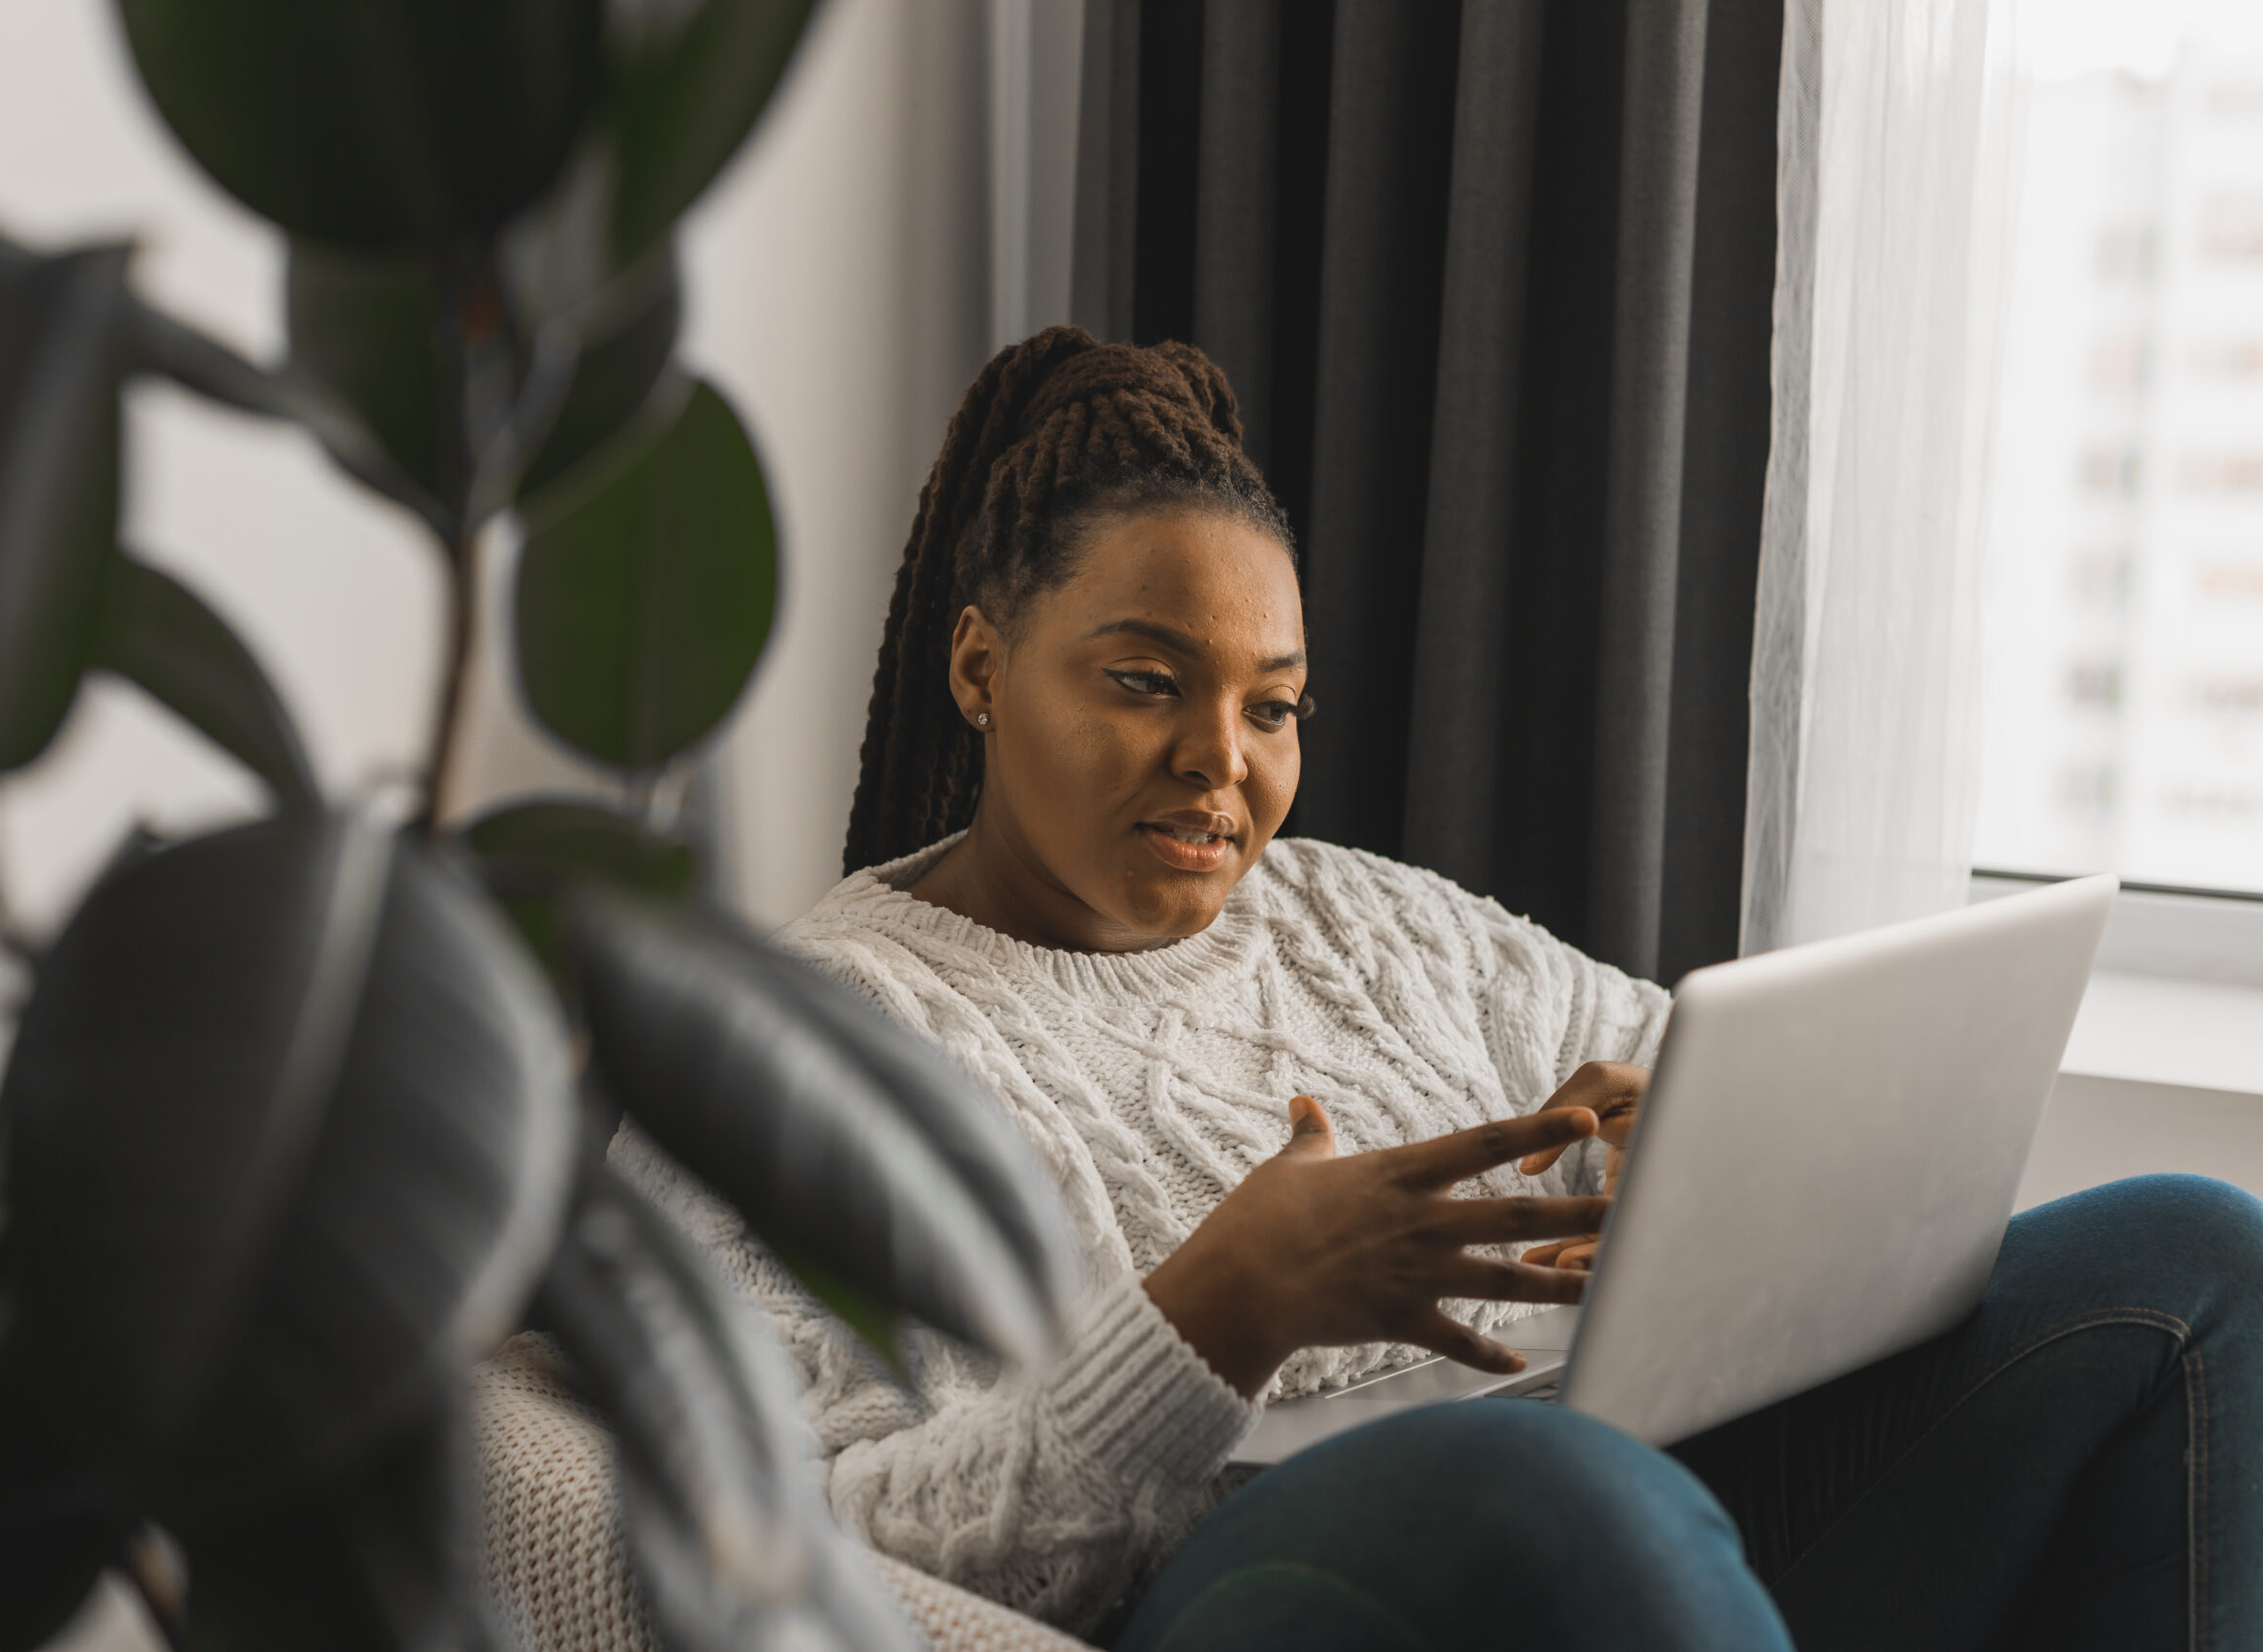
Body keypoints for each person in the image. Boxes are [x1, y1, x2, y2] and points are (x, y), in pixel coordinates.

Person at [611, 326, 2263, 1650]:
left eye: (1276, 708)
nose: (1221, 766)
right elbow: (816, 1557)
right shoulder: (785, 1053)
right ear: (981, 665)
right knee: (1544, 1484)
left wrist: (1688, 1148)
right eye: (1142, 683)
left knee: (2196, 1252)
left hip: (1620, 1532)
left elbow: (1677, 1069)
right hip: (1270, 1585)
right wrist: (1214, 1316)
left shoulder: (1366, 921)